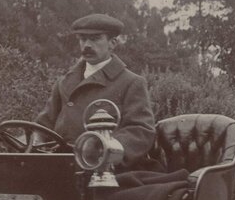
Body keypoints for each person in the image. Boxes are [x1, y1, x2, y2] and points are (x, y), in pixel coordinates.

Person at [35, 14, 156, 170]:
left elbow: (140, 131)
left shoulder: (131, 82)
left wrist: (102, 149)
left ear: (112, 43)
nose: (87, 45)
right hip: (60, 165)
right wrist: (31, 141)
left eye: (95, 39)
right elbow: (43, 126)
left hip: (107, 169)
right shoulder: (64, 82)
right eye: (82, 39)